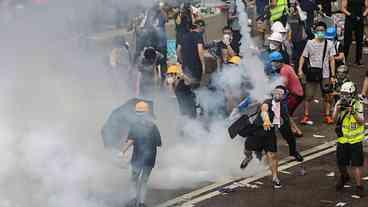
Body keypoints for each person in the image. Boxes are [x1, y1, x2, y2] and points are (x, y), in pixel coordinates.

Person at [122, 101, 162, 207]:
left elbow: (130, 142)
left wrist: (121, 152)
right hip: (150, 159)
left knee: (134, 179)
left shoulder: (135, 126)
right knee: (144, 181)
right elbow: (159, 143)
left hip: (137, 159)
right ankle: (141, 203)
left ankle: (134, 199)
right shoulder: (153, 126)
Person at [245, 88, 287, 189]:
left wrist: (281, 123)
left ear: (283, 96)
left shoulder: (282, 106)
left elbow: (283, 118)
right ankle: (248, 157)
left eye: (281, 93)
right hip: (257, 131)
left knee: (272, 155)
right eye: (277, 92)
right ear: (273, 93)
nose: (278, 94)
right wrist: (267, 120)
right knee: (248, 150)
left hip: (269, 134)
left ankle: (275, 177)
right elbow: (264, 110)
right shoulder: (267, 102)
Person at [298, 21, 336, 125]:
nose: (320, 32)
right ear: (315, 31)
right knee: (308, 96)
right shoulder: (310, 43)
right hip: (312, 73)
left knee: (327, 95)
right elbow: (303, 57)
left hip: (325, 74)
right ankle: (306, 115)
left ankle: (327, 116)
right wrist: (300, 70)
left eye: (322, 30)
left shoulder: (329, 44)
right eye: (318, 30)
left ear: (325, 31)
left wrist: (333, 75)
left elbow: (332, 59)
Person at [332, 81, 365, 197]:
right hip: (342, 139)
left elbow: (361, 122)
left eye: (347, 94)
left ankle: (359, 186)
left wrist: (353, 112)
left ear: (352, 94)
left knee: (356, 164)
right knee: (341, 163)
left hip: (355, 140)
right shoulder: (339, 103)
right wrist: (337, 110)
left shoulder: (358, 104)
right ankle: (344, 176)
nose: (344, 97)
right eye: (343, 94)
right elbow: (334, 120)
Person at [269, 51, 304, 137]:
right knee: (286, 113)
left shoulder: (284, 71)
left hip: (295, 95)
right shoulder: (287, 67)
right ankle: (294, 130)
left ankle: (296, 131)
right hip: (297, 93)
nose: (272, 64)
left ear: (277, 62)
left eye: (272, 62)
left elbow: (282, 87)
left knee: (285, 112)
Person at [341, 0, 368, 66]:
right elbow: (342, 8)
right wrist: (351, 15)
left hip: (360, 19)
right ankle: (343, 60)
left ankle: (358, 60)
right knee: (347, 41)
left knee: (360, 40)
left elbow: (367, 7)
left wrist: (363, 15)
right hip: (350, 19)